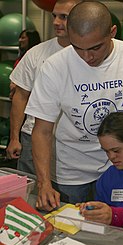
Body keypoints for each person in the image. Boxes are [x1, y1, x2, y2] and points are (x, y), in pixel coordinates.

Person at [25, 1, 123, 211]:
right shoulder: (54, 66)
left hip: (121, 163)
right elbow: (42, 130)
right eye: (77, 48)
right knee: (72, 233)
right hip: (70, 170)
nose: (87, 57)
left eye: (95, 48)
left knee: (118, 228)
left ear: (112, 32)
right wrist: (44, 183)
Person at [6, 0, 81, 176]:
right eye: (54, 16)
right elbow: (20, 96)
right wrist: (14, 138)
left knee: (68, 199)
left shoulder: (90, 55)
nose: (56, 22)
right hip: (33, 136)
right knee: (31, 194)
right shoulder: (36, 53)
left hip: (74, 143)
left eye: (64, 17)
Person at [9, 29, 41, 100]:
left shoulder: (36, 58)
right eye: (20, 38)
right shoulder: (21, 56)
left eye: (23, 38)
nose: (20, 40)